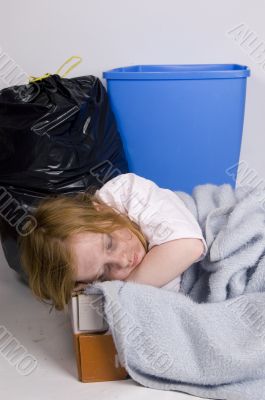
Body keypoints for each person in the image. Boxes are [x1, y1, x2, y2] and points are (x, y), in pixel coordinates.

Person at [18, 173, 208, 312]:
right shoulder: (100, 284)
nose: (122, 261)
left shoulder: (125, 192)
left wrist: (125, 291)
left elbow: (189, 246)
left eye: (110, 244)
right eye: (104, 271)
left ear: (99, 210)